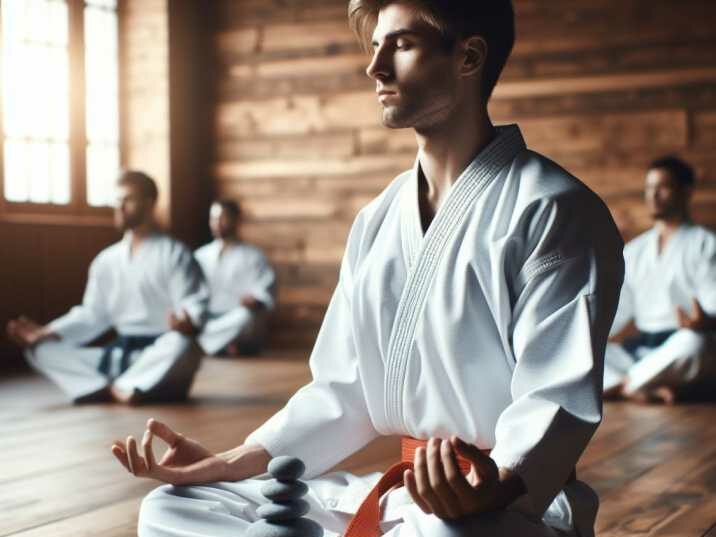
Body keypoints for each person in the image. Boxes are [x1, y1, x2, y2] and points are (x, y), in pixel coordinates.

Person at [112, 2, 623, 536]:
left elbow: (555, 399)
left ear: (468, 56)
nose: (374, 66)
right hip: (404, 495)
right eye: (375, 46)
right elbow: (342, 393)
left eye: (401, 45)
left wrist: (495, 486)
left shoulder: (553, 208)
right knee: (174, 507)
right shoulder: (378, 219)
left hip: (503, 503)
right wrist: (230, 462)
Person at [6, 170, 209, 404]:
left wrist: (187, 321)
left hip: (160, 356)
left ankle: (126, 385)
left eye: (128, 200)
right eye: (117, 200)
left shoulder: (175, 253)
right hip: (118, 357)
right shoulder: (107, 260)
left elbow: (194, 304)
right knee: (39, 349)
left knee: (183, 344)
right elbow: (93, 314)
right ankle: (111, 387)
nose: (120, 207)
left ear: (150, 203)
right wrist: (47, 332)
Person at [604, 156, 716, 404]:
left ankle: (624, 386)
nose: (653, 195)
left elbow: (711, 307)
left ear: (686, 192)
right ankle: (639, 386)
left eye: (663, 187)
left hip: (682, 345)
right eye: (649, 188)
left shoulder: (706, 244)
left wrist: (705, 320)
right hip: (641, 350)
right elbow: (617, 313)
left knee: (695, 344)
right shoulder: (634, 251)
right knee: (586, 353)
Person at [194, 200, 276, 356]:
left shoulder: (253, 256)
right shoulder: (200, 255)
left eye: (223, 218)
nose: (217, 223)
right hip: (207, 318)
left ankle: (202, 345)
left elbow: (265, 293)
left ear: (236, 220)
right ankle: (221, 345)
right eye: (213, 218)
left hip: (236, 319)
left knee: (247, 317)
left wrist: (255, 301)